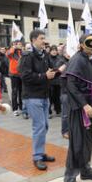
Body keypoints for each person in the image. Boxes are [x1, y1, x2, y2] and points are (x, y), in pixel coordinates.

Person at [63, 34, 92, 182]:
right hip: (78, 109)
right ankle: (69, 180)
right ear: (82, 45)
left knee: (87, 141)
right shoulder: (76, 60)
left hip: (89, 108)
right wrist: (84, 104)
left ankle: (85, 169)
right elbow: (71, 85)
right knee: (77, 143)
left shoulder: (89, 61)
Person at [20, 30, 61, 170]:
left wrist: (59, 71)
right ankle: (37, 156)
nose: (44, 41)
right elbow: (25, 77)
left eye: (44, 38)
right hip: (33, 97)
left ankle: (41, 153)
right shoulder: (27, 56)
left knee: (45, 126)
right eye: (41, 38)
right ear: (33, 40)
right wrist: (44, 76)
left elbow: (49, 73)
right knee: (39, 126)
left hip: (44, 96)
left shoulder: (44, 55)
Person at [7, 41, 24, 116]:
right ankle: (15, 109)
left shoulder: (22, 52)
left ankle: (21, 107)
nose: (20, 45)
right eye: (18, 44)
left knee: (21, 91)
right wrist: (13, 47)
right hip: (14, 74)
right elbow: (8, 54)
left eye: (21, 44)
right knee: (14, 91)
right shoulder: (12, 53)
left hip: (21, 74)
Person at [48, 45, 65, 118]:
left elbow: (61, 68)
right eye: (52, 50)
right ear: (50, 51)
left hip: (58, 80)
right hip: (50, 80)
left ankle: (58, 110)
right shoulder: (47, 58)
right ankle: (49, 112)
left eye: (55, 50)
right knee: (50, 96)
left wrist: (56, 70)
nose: (54, 51)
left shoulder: (60, 58)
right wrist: (56, 69)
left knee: (57, 96)